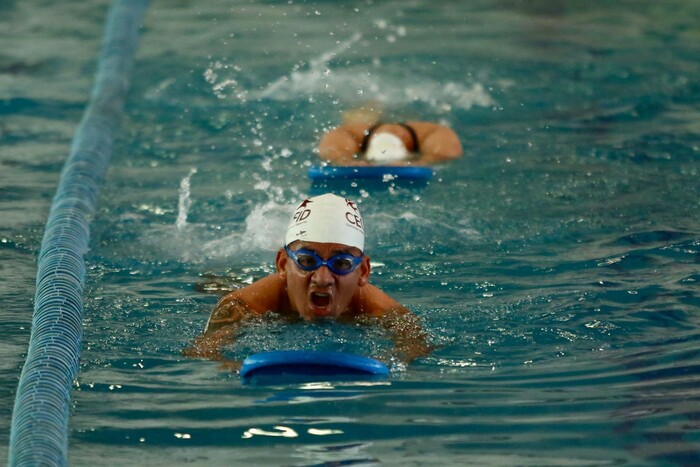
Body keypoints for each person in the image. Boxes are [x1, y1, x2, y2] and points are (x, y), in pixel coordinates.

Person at [185, 193, 431, 370]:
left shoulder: (386, 313)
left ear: (364, 271)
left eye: (342, 263)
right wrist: (240, 370)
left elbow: (416, 349)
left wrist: (385, 364)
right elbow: (202, 355)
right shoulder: (241, 307)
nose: (323, 279)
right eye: (306, 261)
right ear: (282, 264)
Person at [318, 114, 463, 166]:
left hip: (416, 130)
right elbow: (331, 152)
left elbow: (447, 153)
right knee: (360, 115)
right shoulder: (348, 133)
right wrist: (346, 162)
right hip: (363, 129)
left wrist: (423, 162)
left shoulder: (434, 134)